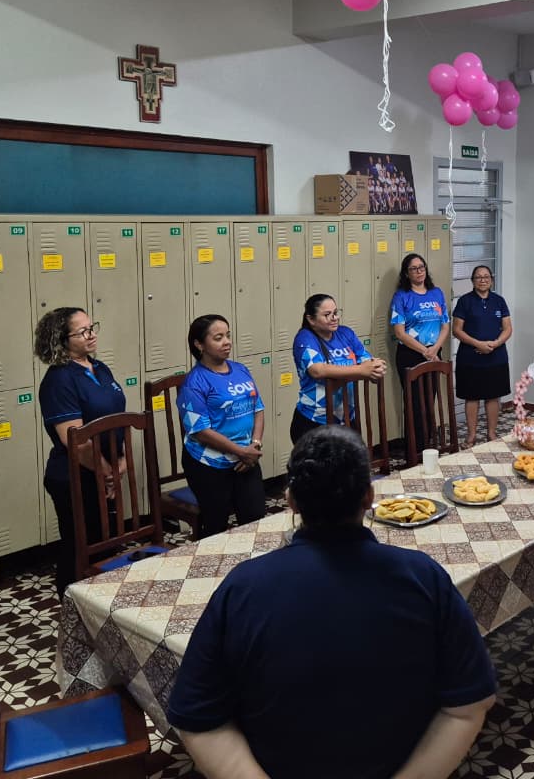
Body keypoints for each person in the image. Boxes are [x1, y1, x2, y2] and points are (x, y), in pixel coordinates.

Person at [168, 426, 497, 779]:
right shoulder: (423, 577)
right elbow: (469, 704)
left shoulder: (242, 587)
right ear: (369, 497)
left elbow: (198, 717)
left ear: (291, 501)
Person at [36, 308, 126, 599]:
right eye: (83, 331)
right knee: (80, 548)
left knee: (107, 545)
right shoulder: (59, 380)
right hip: (74, 476)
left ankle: (103, 607)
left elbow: (115, 419)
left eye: (92, 327)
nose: (92, 334)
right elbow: (74, 439)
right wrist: (106, 472)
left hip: (104, 471)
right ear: (62, 340)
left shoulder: (99, 368)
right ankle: (72, 608)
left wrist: (120, 461)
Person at [179, 315, 267, 538]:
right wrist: (241, 452)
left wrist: (254, 445)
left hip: (246, 458)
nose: (227, 342)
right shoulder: (194, 382)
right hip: (209, 464)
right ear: (199, 345)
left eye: (228, 335)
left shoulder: (240, 369)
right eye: (218, 338)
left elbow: (258, 408)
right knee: (216, 528)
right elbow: (200, 431)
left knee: (256, 520)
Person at [291, 293, 387, 445]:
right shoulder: (305, 338)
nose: (334, 318)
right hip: (315, 420)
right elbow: (317, 370)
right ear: (311, 319)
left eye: (335, 313)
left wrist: (375, 369)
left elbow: (367, 361)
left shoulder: (345, 333)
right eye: (327, 315)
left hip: (346, 418)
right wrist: (361, 371)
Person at [391, 252, 450, 442]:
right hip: (411, 354)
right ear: (406, 273)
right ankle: (415, 448)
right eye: (414, 269)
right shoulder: (402, 296)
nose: (419, 271)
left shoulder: (436, 293)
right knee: (414, 403)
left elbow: (445, 325)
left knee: (429, 399)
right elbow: (400, 332)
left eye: (421, 267)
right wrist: (426, 352)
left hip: (434, 352)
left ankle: (428, 443)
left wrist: (435, 349)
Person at [452, 265, 513, 448]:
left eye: (486, 276)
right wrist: (478, 344)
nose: (483, 280)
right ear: (473, 281)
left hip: (496, 356)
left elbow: (508, 328)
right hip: (470, 358)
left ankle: (491, 433)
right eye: (478, 277)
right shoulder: (465, 301)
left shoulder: (499, 301)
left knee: (493, 396)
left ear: (491, 280)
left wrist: (496, 343)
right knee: (472, 397)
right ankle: (471, 436)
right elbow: (457, 330)